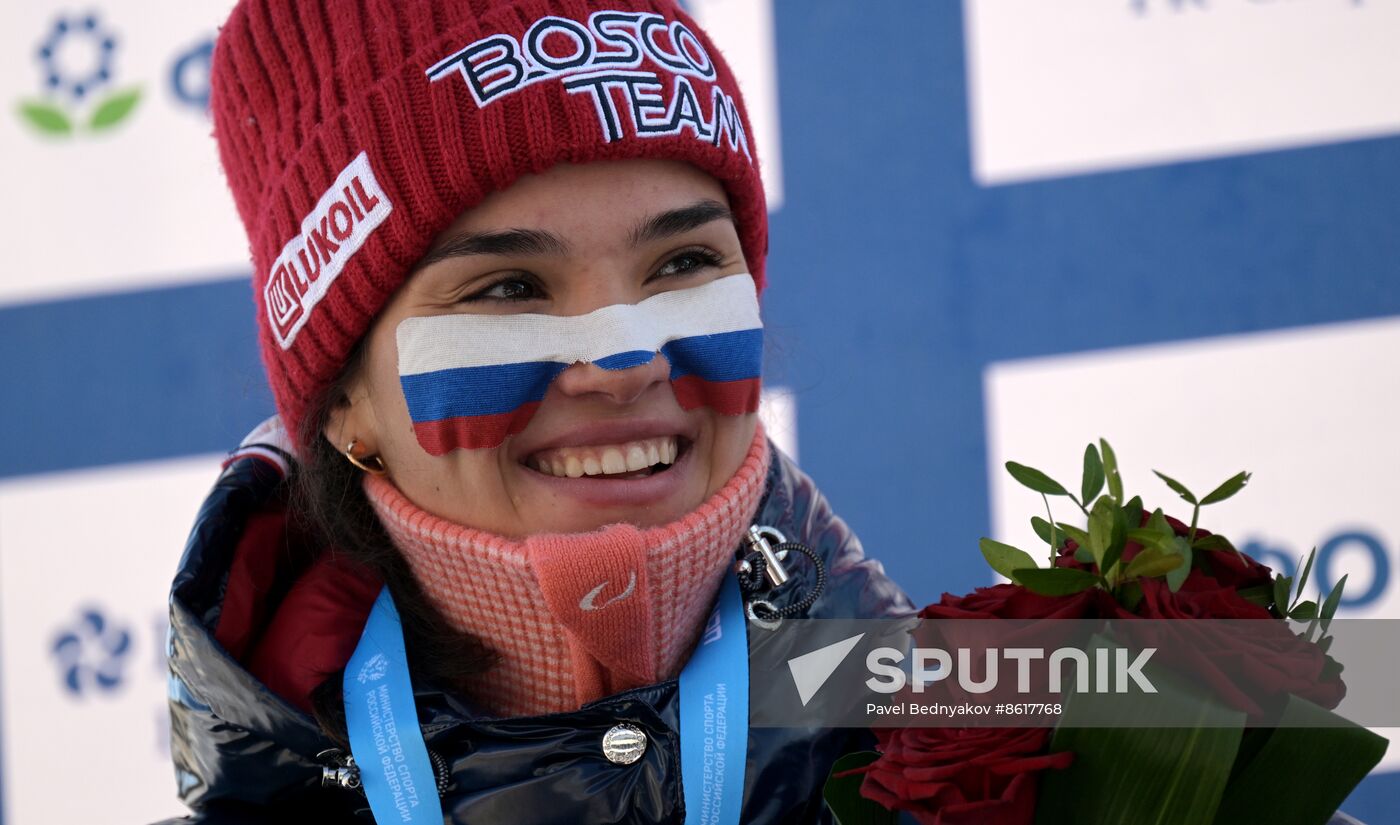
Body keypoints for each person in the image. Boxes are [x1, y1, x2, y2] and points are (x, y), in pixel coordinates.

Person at [160, 0, 913, 822]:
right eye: (508, 287)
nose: (624, 361)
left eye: (684, 261)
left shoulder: (1020, 753)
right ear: (347, 404)